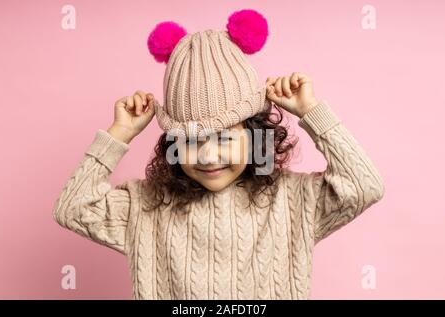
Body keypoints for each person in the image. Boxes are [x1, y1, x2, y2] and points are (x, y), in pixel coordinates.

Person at [52, 9, 385, 300]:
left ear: (254, 134)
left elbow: (363, 186)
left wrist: (311, 112)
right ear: (173, 145)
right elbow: (73, 208)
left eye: (225, 137)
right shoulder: (146, 206)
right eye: (191, 140)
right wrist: (119, 134)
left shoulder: (293, 201)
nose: (208, 156)